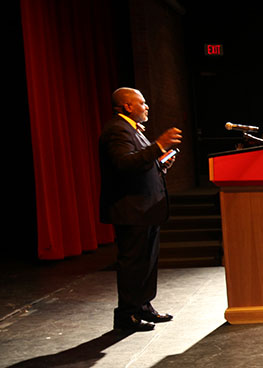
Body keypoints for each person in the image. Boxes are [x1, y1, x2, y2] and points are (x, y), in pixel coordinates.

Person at [99, 87, 182, 331]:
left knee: (147, 262)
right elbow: (124, 164)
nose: (147, 107)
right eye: (142, 103)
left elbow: (142, 163)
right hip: (131, 209)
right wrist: (158, 145)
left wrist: (161, 163)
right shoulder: (117, 130)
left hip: (146, 209)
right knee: (133, 263)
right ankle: (127, 315)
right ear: (127, 106)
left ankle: (143, 306)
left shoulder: (133, 130)